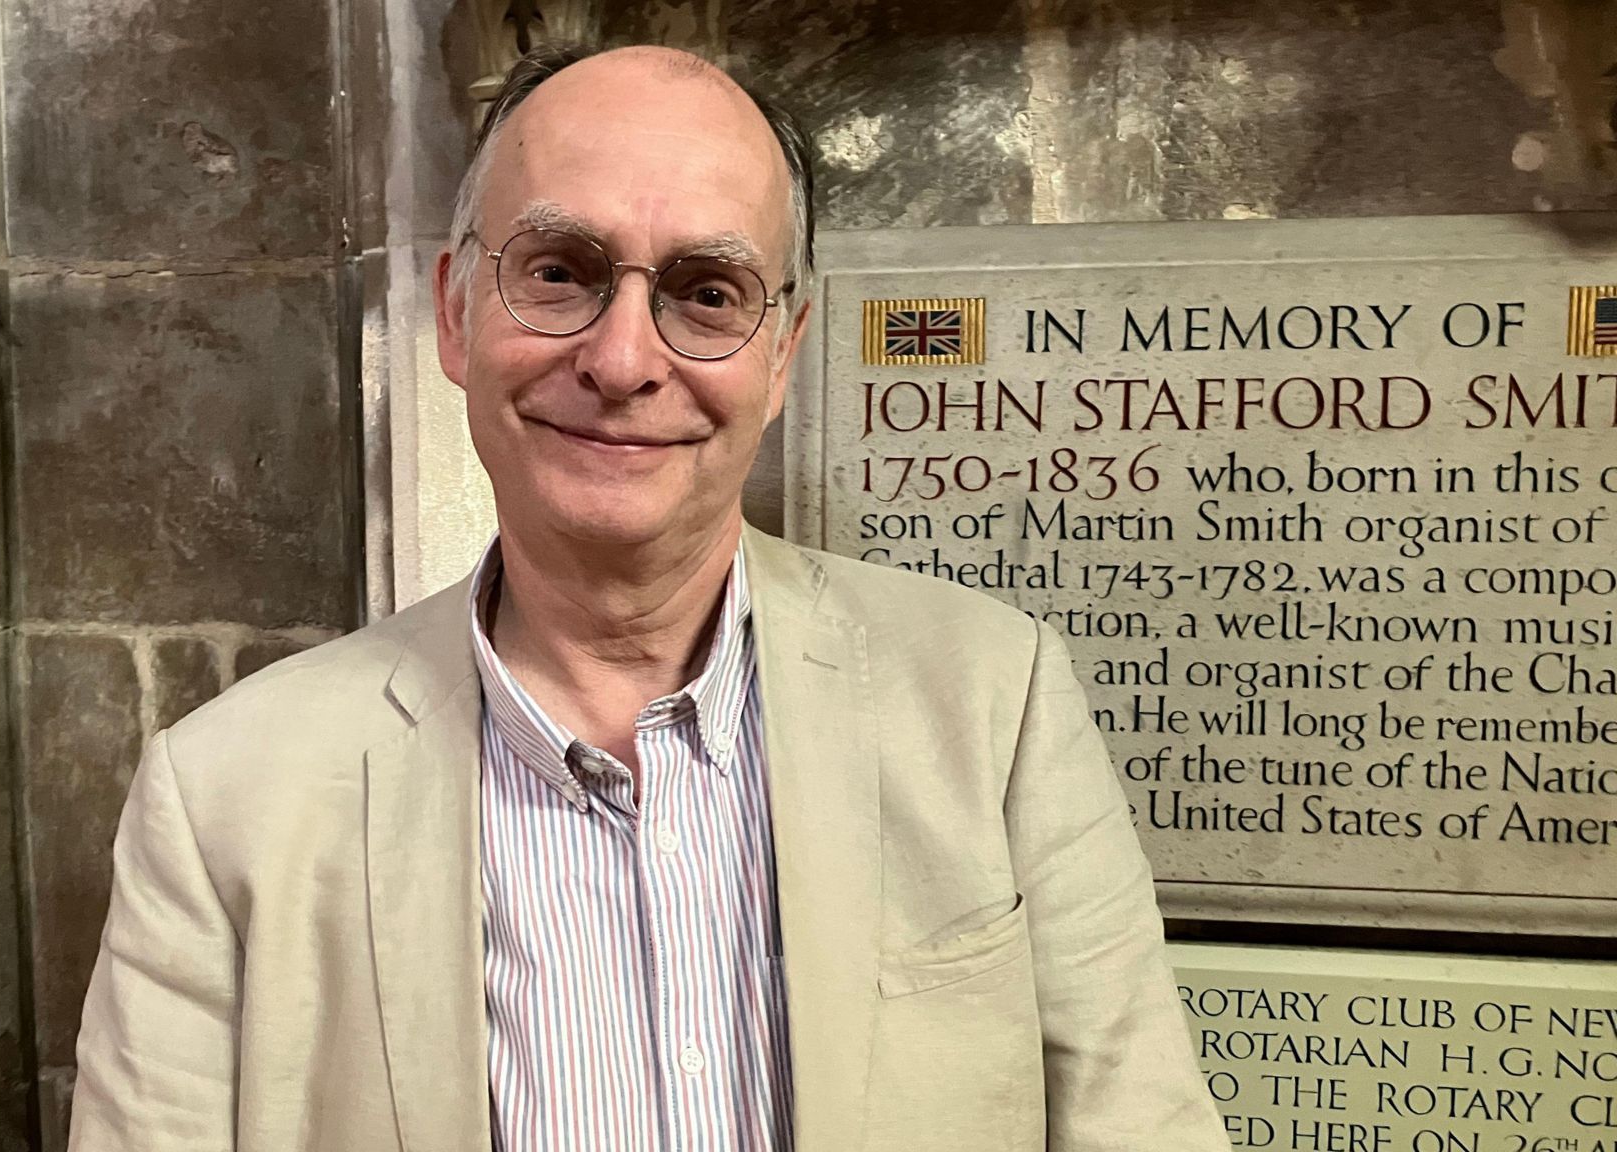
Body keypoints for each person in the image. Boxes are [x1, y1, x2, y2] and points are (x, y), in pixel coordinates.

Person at [70, 43, 1229, 1152]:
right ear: (456, 311)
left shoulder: (987, 704)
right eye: (559, 272)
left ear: (780, 355)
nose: (624, 360)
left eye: (706, 291)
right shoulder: (225, 801)